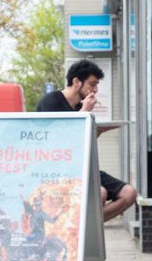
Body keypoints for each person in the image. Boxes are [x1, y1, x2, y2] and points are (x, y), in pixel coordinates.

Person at [37, 60, 138, 222]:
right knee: (101, 193)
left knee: (129, 193)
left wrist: (96, 132)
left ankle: (88, 226)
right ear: (76, 82)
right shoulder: (51, 102)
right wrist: (84, 113)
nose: (95, 90)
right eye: (92, 84)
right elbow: (55, 142)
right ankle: (81, 231)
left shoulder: (79, 108)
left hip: (81, 168)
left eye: (96, 85)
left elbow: (80, 145)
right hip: (58, 172)